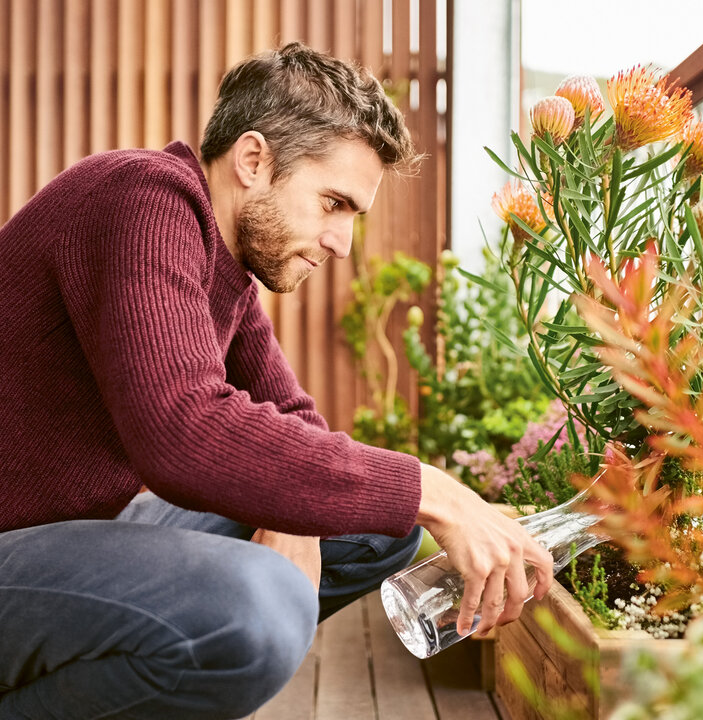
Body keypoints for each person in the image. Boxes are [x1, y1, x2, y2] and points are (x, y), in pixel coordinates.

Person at [0, 42, 553, 719]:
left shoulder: (225, 267)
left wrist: (308, 509)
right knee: (253, 609)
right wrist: (431, 487)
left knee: (376, 529)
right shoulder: (142, 196)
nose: (342, 242)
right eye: (333, 203)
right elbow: (179, 429)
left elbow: (296, 424)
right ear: (254, 160)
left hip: (63, 534)